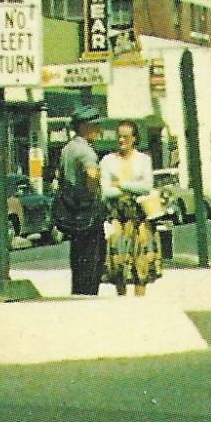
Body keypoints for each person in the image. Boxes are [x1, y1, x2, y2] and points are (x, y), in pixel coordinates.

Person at [100, 120, 161, 297]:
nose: (121, 140)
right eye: (119, 136)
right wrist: (133, 186)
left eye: (125, 137)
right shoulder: (108, 161)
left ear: (134, 138)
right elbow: (105, 191)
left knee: (142, 262)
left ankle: (140, 301)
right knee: (118, 261)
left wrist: (120, 184)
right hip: (117, 217)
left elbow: (147, 187)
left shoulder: (143, 160)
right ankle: (122, 298)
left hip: (140, 217)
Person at [56, 105, 107, 296]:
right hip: (88, 213)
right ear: (85, 127)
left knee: (77, 261)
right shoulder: (86, 152)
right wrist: (95, 196)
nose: (99, 130)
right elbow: (92, 175)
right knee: (92, 262)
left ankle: (78, 295)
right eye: (96, 126)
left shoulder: (67, 149)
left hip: (72, 211)